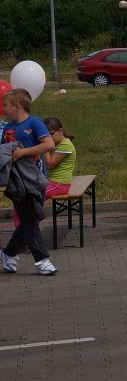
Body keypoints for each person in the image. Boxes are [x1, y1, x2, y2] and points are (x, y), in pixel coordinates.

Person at [1, 88, 58, 276]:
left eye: (5, 105)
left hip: (35, 179)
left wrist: (22, 153)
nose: (3, 109)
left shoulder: (34, 123)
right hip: (17, 181)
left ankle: (8, 253)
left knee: (29, 218)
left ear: (17, 106)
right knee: (30, 219)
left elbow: (48, 144)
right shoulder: (7, 128)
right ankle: (42, 260)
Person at [41, 117, 76, 201]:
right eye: (46, 135)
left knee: (36, 195)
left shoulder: (65, 145)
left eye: (50, 134)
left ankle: (32, 214)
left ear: (60, 131)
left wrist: (43, 146)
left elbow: (49, 164)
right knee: (30, 194)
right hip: (53, 183)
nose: (48, 138)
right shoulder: (58, 144)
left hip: (60, 185)